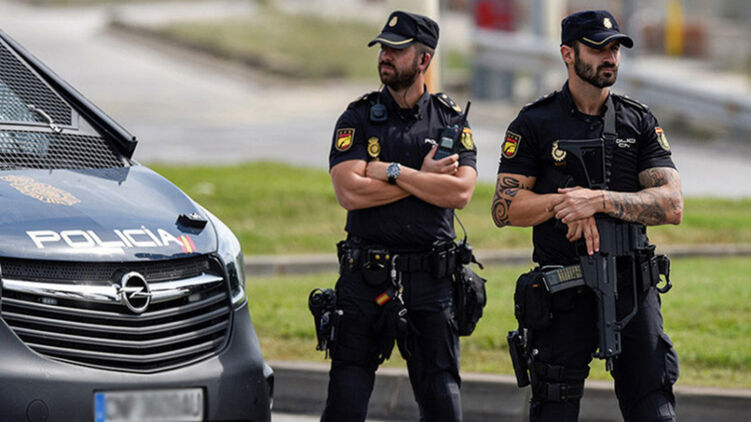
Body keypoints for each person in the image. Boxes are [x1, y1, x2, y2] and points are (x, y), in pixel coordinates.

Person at [493, 10, 683, 422]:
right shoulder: (535, 122)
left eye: (615, 48)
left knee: (655, 407)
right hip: (564, 290)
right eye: (598, 48)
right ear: (568, 53)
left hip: (632, 287)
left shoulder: (638, 120)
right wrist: (563, 205)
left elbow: (672, 205)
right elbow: (504, 207)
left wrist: (597, 201)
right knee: (554, 407)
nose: (609, 57)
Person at [322, 10, 478, 422]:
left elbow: (460, 193)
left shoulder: (449, 121)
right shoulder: (357, 117)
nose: (385, 56)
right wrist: (425, 180)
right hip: (366, 278)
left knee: (443, 402)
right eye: (383, 49)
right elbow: (349, 191)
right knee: (345, 402)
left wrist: (392, 171)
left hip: (431, 281)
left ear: (424, 60)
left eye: (396, 50)